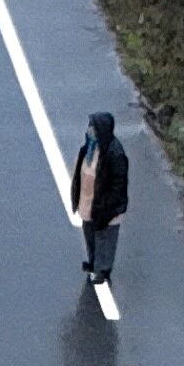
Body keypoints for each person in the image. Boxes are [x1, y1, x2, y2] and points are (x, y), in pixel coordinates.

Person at [67, 109, 128, 294]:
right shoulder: (89, 148)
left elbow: (118, 185)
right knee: (90, 234)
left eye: (93, 126)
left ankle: (103, 270)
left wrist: (107, 207)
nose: (89, 130)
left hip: (107, 208)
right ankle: (94, 263)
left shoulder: (114, 154)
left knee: (105, 238)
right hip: (88, 203)